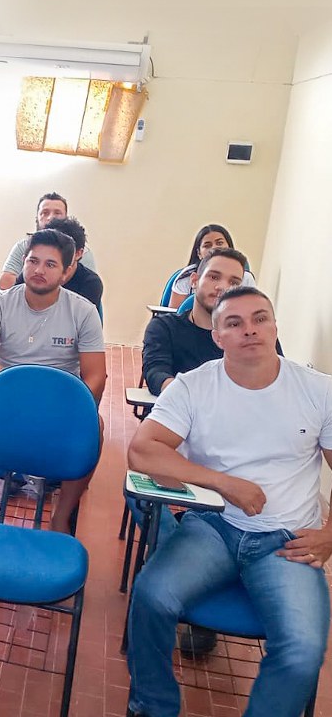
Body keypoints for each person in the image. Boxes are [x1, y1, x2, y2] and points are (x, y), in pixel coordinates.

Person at [125, 287, 331, 717]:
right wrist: (224, 483)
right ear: (217, 336)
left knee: (302, 650)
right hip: (213, 528)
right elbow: (144, 451)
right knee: (151, 596)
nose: (249, 330)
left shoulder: (318, 390)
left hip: (287, 541)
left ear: (275, 327)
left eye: (260, 319)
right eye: (234, 323)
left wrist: (331, 535)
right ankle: (153, 706)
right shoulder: (194, 386)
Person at [0, 229, 106, 532]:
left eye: (50, 265)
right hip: (9, 403)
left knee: (96, 429)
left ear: (66, 272)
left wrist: (71, 407)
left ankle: (61, 516)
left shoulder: (83, 311)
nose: (38, 270)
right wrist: (18, 390)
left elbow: (95, 376)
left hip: (59, 409)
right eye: (33, 261)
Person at [142, 248, 256, 395]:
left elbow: (276, 375)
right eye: (214, 277)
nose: (222, 287)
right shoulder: (164, 327)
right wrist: (197, 399)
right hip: (180, 412)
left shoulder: (252, 333)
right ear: (194, 281)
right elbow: (156, 374)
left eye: (234, 282)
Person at [0, 192, 98, 289]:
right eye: (45, 213)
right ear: (37, 218)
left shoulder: (80, 252)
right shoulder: (22, 246)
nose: (51, 217)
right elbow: (5, 285)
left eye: (57, 213)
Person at [14, 216, 103, 309]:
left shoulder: (90, 283)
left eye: (50, 264)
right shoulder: (32, 275)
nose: (39, 270)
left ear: (78, 253)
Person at [167, 224, 256, 309]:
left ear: (229, 247)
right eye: (207, 245)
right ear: (199, 253)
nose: (214, 248)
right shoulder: (186, 277)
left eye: (220, 243)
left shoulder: (246, 278)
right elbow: (174, 314)